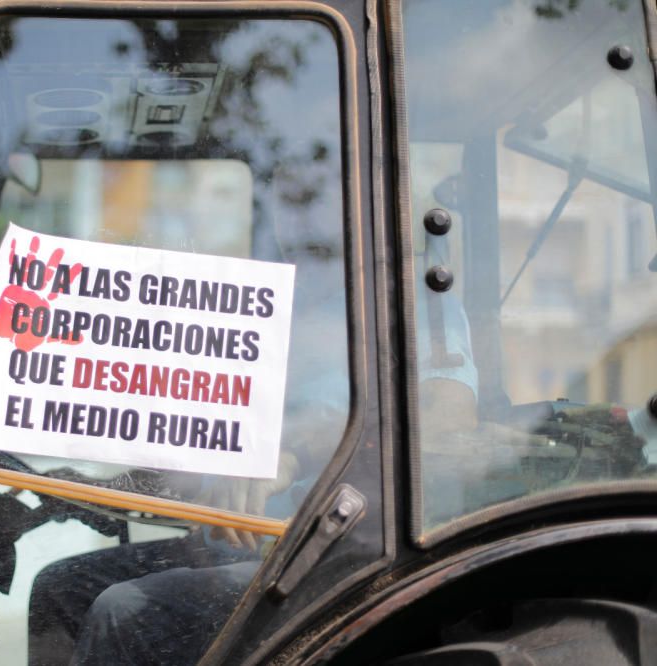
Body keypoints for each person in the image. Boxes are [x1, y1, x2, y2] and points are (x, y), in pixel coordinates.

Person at [26, 260, 481, 665]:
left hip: (330, 555)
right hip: (224, 543)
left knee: (125, 611)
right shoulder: (268, 303)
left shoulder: (413, 300)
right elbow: (204, 449)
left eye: (306, 187)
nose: (290, 209)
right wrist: (90, 481)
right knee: (61, 587)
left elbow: (445, 416)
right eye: (282, 185)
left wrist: (293, 458)